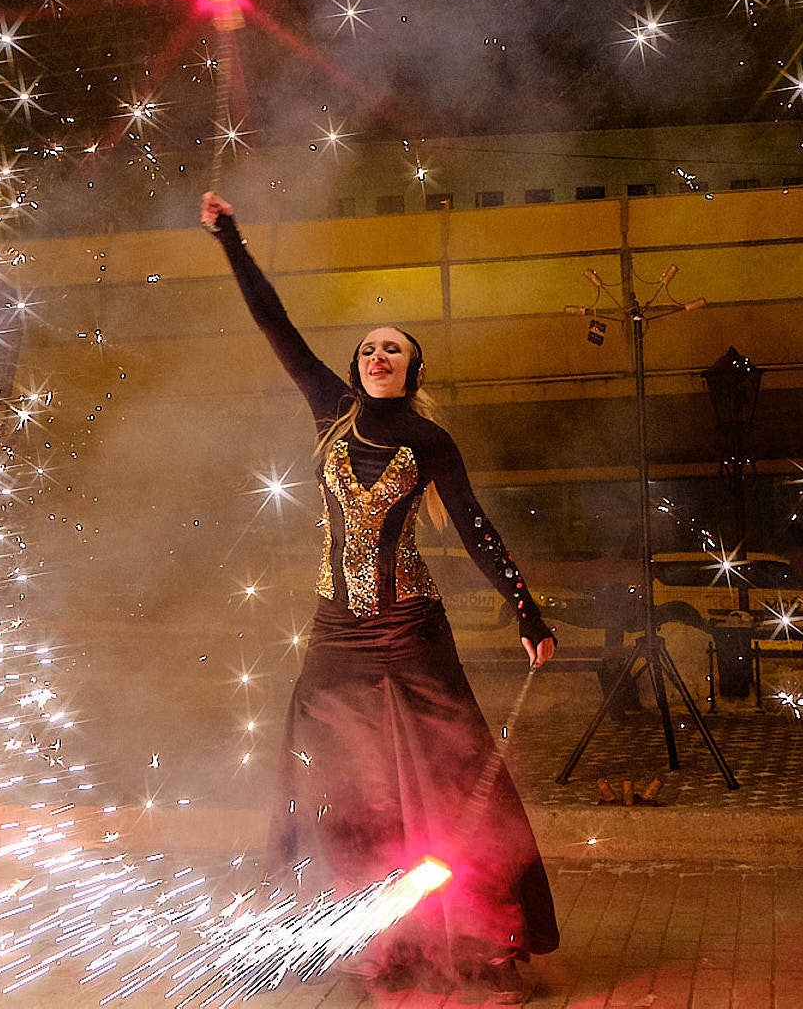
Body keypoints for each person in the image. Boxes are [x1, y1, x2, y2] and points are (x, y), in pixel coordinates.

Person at [202, 191, 558, 999]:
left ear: (412, 368)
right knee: (345, 791)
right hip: (336, 636)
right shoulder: (331, 413)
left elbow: (477, 529)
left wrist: (526, 614)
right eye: (369, 347)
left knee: (454, 781)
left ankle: (490, 936)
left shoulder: (431, 441)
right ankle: (380, 937)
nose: (377, 355)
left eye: (393, 349)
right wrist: (232, 236)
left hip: (411, 633)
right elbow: (275, 325)